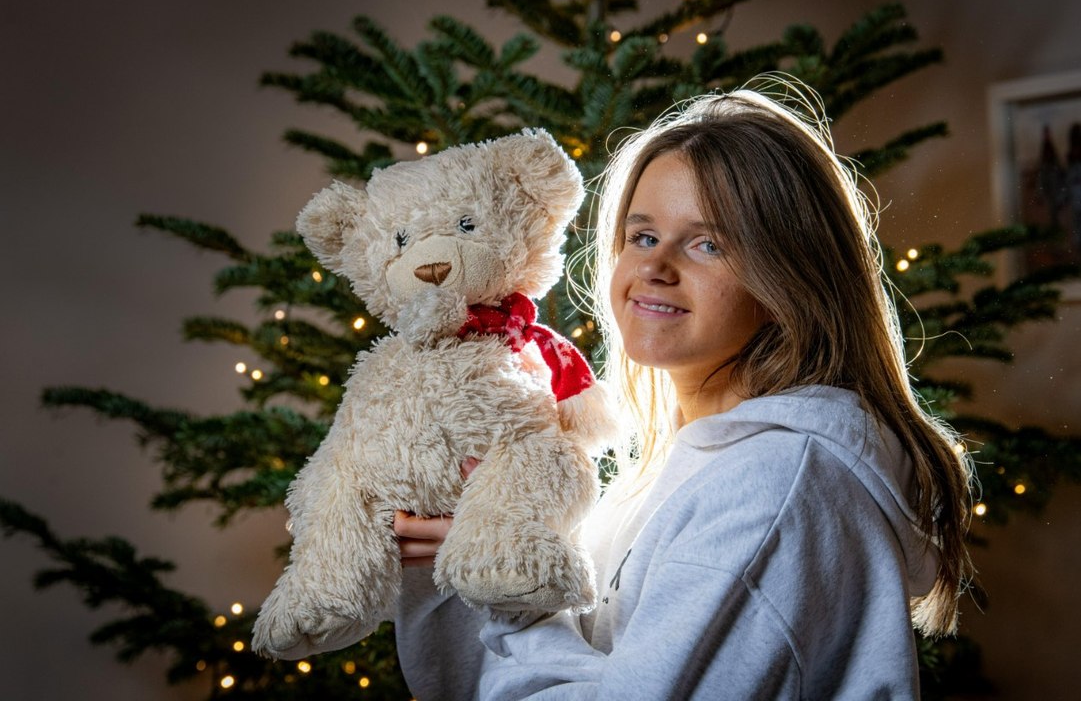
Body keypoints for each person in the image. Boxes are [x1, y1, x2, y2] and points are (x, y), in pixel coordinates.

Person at [392, 77, 974, 700]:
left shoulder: (772, 489)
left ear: (790, 279)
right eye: (642, 236)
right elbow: (466, 682)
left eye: (707, 244)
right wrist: (468, 559)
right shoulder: (670, 466)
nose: (654, 267)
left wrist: (508, 588)